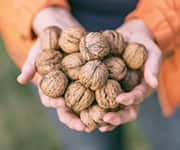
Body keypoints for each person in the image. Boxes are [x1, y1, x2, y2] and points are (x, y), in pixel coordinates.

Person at [0, 0, 180, 150]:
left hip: (165, 55)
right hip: (60, 33)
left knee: (172, 139)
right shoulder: (64, 67)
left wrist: (154, 22)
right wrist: (42, 12)